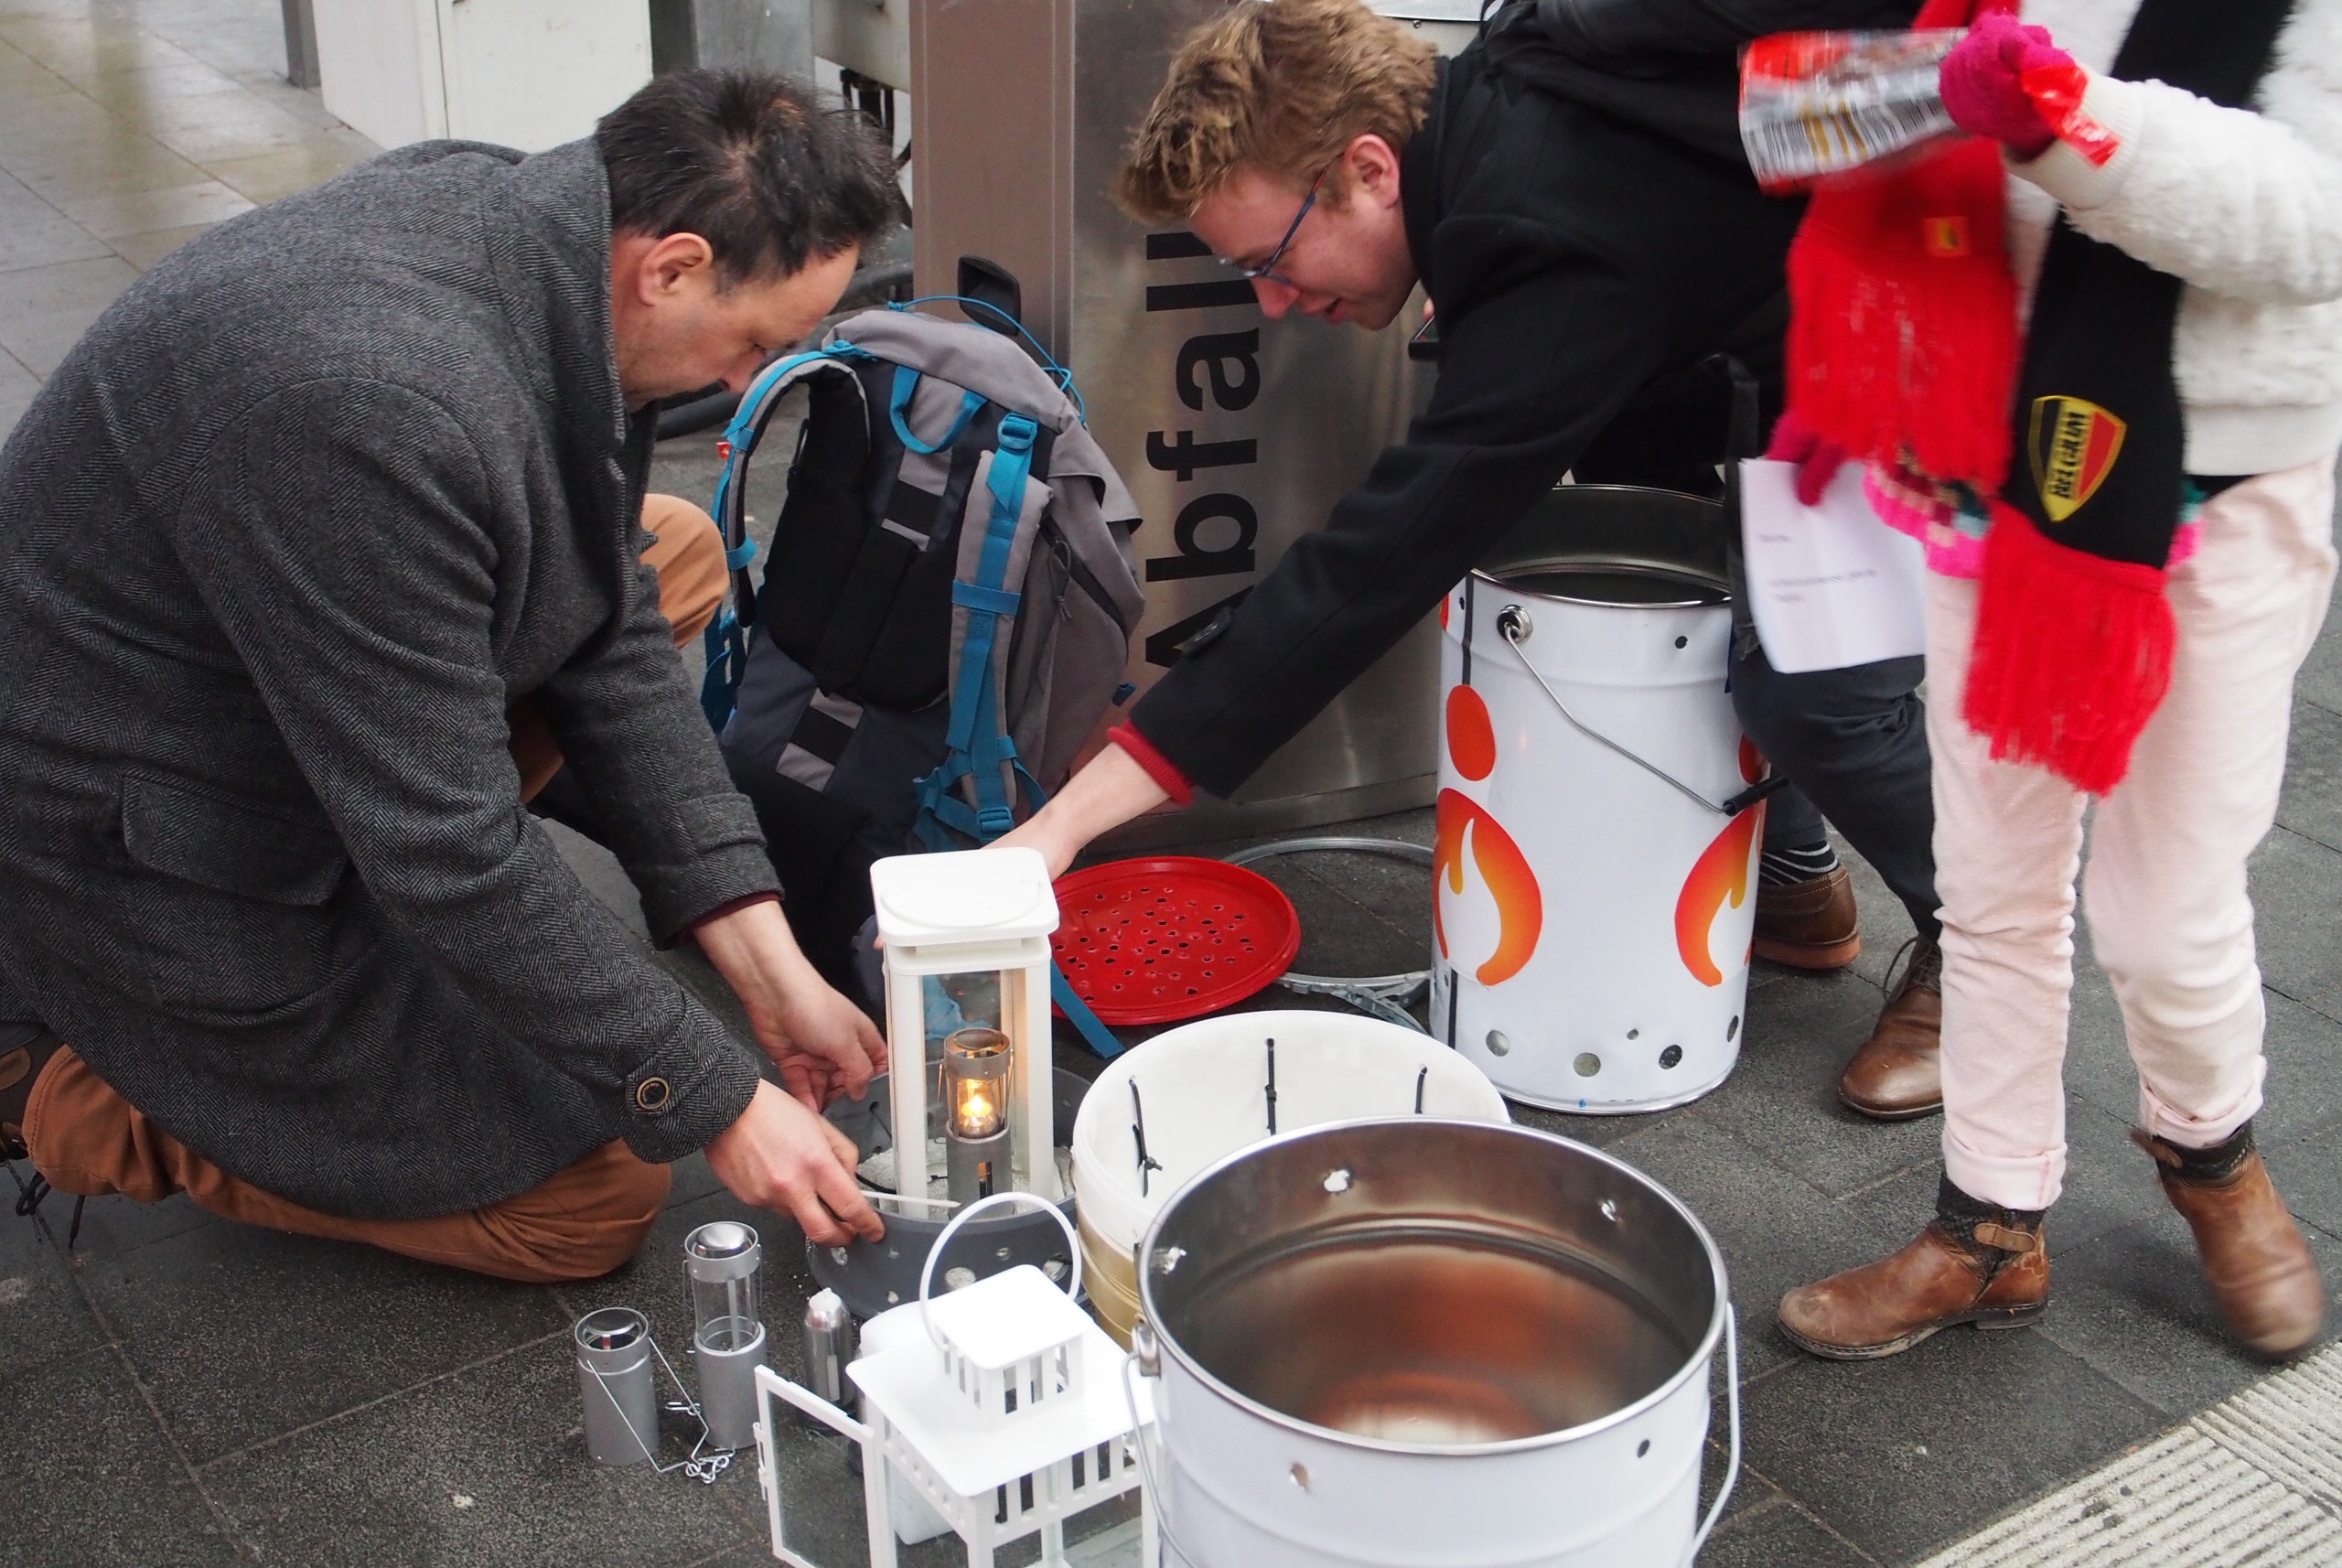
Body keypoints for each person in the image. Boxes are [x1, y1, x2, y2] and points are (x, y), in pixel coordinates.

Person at [0, 71, 907, 1282]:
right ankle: (62, 1092)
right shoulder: (364, 402)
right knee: (596, 1198)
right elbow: (448, 851)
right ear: (673, 266)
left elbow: (605, 625)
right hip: (131, 844)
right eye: (756, 343)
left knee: (668, 549)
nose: (750, 383)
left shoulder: (540, 225)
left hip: (271, 700)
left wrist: (768, 966)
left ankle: (412, 935)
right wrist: (721, 1101)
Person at [997, 0, 1944, 1091]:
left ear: (1367, 168)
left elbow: (1390, 550)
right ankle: (1791, 871)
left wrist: (1061, 828)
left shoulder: (1543, 229)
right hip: (1763, 311)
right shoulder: (1482, 94)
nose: (1272, 301)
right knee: (1712, 565)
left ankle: (1977, 947)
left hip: (1922, 311)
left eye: (1271, 257)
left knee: (1818, 691)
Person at [1777, 0, 2337, 1360]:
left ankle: (2212, 1158)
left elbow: (2312, 223)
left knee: (2168, 904)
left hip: (2223, 474)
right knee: (1994, 887)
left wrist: (2068, 117)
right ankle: (1990, 1224)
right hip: (1989, 461)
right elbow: (1870, 131)